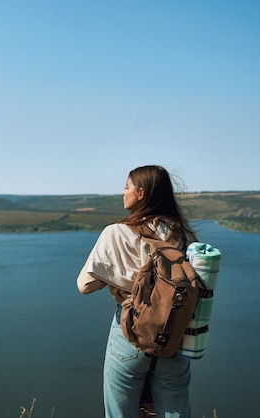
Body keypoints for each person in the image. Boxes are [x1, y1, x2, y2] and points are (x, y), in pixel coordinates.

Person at [77, 165, 198, 418]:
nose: (123, 192)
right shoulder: (182, 235)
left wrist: (118, 279)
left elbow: (85, 285)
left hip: (130, 329)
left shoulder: (116, 232)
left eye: (127, 187)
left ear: (141, 193)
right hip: (174, 331)